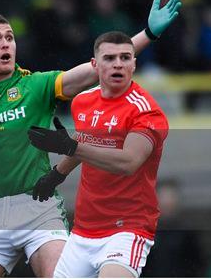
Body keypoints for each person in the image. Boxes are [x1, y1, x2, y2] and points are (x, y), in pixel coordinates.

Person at [0, 0, 181, 277]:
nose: (6, 43)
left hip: (39, 211)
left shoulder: (37, 85)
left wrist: (148, 34)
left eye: (10, 37)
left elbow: (99, 66)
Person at [27, 31, 169, 277]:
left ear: (134, 64)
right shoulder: (82, 101)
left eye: (125, 57)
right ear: (95, 65)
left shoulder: (146, 112)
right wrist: (57, 174)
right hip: (84, 229)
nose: (118, 64)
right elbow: (86, 140)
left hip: (127, 229)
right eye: (110, 58)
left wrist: (69, 146)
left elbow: (128, 162)